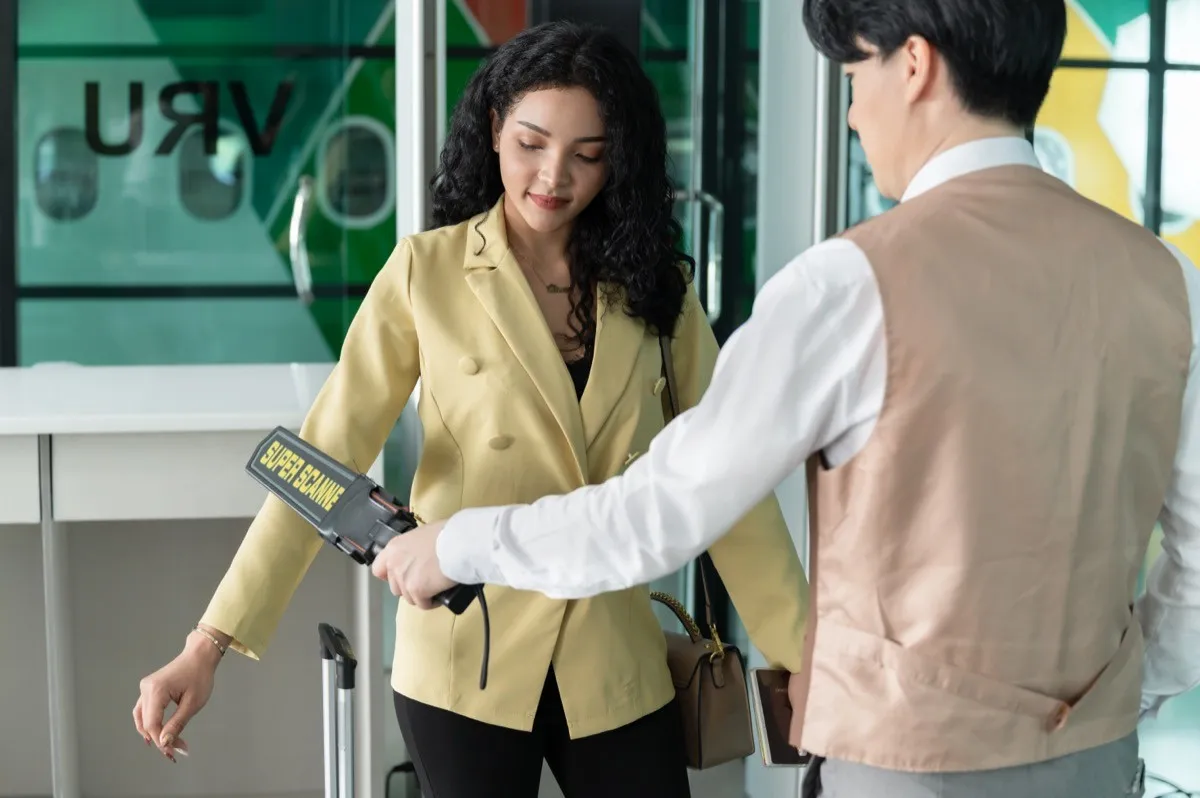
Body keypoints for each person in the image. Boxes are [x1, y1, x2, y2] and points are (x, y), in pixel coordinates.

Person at [376, 2, 1200, 797]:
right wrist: (1130, 690)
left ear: (912, 65)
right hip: (1099, 759)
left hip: (903, 763)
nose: (850, 113)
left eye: (852, 74)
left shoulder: (847, 284)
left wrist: (462, 544)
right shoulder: (1170, 284)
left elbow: (661, 513)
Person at [130, 20, 811, 798]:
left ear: (618, 159)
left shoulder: (659, 292)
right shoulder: (428, 272)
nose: (553, 175)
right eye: (531, 144)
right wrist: (208, 643)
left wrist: (806, 656)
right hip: (465, 661)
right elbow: (324, 459)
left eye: (587, 154)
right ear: (493, 130)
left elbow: (728, 486)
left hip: (615, 661)